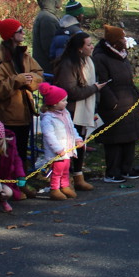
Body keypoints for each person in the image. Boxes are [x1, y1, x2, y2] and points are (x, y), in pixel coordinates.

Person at [0, 18, 44, 171]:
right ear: (11, 35)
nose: (24, 33)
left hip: (23, 114)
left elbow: (39, 73)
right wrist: (16, 81)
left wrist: (29, 80)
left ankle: (21, 180)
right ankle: (8, 182)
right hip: (5, 117)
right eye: (20, 31)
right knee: (6, 157)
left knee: (21, 154)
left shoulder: (23, 54)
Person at [53, 32, 104, 191]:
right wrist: (94, 88)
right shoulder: (68, 64)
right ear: (79, 48)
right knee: (69, 146)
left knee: (81, 143)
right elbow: (70, 91)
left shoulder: (88, 61)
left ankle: (78, 175)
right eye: (88, 45)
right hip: (72, 110)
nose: (92, 47)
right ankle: (64, 180)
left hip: (85, 108)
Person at [93, 25, 139, 182]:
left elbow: (128, 79)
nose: (124, 40)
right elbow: (103, 82)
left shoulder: (123, 55)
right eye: (121, 38)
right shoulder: (101, 58)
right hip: (114, 106)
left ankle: (127, 168)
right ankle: (112, 171)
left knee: (129, 138)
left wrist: (136, 94)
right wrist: (112, 102)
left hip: (129, 102)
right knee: (114, 140)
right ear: (114, 41)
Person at [37, 82, 83, 201]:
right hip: (58, 151)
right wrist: (57, 149)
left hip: (67, 148)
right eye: (63, 100)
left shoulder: (65, 113)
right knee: (57, 171)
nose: (66, 102)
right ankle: (54, 189)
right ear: (55, 103)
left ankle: (65, 186)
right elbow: (49, 135)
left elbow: (71, 128)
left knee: (66, 169)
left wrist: (77, 139)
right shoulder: (48, 118)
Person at [32, 0, 63, 74]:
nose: (60, 0)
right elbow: (50, 47)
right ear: (51, 0)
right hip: (47, 68)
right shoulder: (47, 19)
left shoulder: (46, 15)